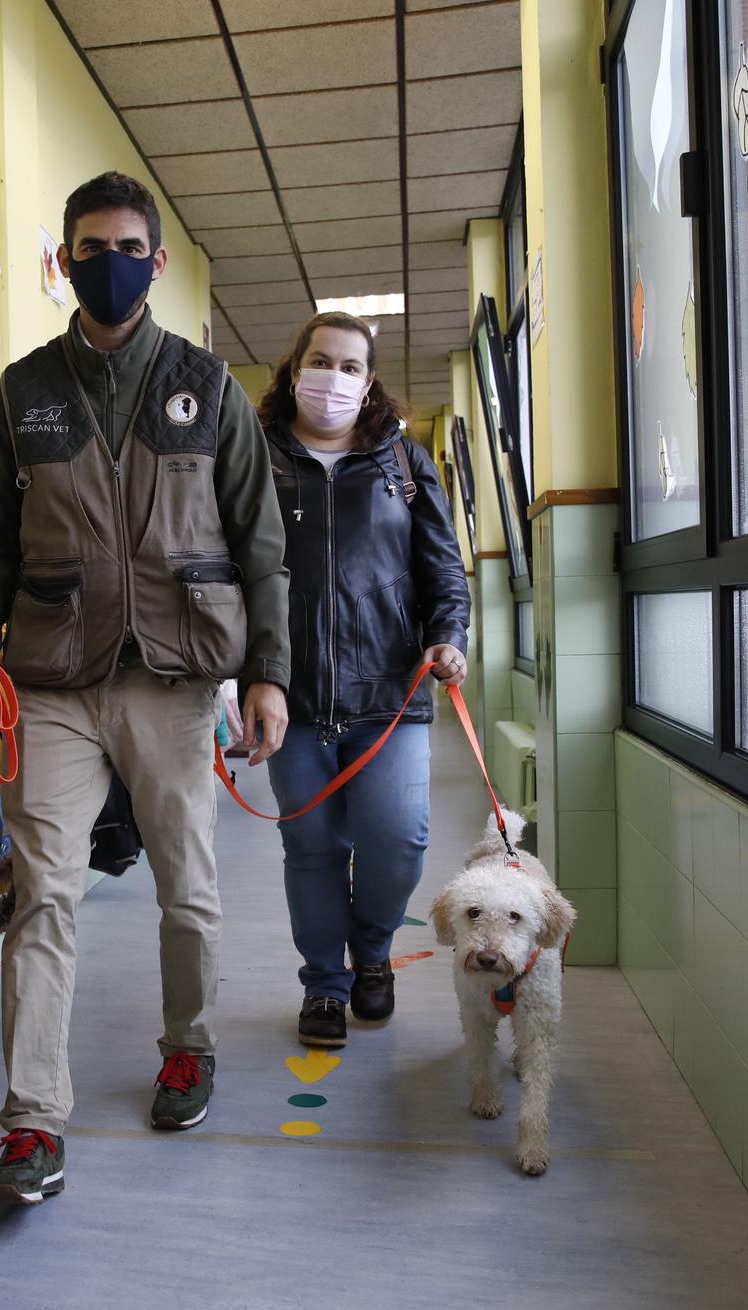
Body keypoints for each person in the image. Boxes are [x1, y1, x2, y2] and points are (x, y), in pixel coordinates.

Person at [0, 171, 291, 1205]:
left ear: (155, 260)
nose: (110, 263)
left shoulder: (208, 385)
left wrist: (267, 674)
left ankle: (187, 1047)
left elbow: (260, 544)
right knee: (42, 893)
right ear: (65, 261)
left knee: (185, 887)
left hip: (175, 679)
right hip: (48, 677)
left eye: (127, 246)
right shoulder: (21, 393)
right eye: (89, 247)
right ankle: (30, 1126)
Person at [253, 312, 470, 1049]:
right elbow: (231, 572)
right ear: (294, 368)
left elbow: (442, 567)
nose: (335, 377)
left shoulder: (403, 464)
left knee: (399, 838)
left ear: (369, 381)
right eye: (321, 360)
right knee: (312, 848)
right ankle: (323, 984)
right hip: (292, 698)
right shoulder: (255, 461)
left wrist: (448, 636)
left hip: (390, 692)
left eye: (351, 366)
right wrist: (251, 674)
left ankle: (372, 949)